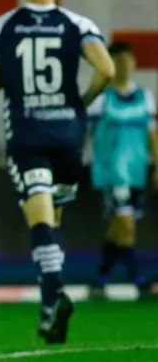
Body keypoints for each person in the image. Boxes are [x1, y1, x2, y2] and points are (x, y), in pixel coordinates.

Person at [0, 0, 115, 344]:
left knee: (40, 221)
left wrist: (12, 79)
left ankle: (53, 298)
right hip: (68, 135)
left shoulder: (3, 27)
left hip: (29, 136)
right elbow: (106, 69)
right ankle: (49, 311)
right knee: (53, 222)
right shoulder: (77, 23)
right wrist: (81, 102)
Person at [88, 41, 155, 299]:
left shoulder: (145, 97)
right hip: (113, 172)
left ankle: (100, 277)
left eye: (127, 60)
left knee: (119, 227)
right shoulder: (100, 99)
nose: (123, 65)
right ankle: (138, 279)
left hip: (136, 171)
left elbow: (151, 133)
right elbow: (85, 134)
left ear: (134, 63)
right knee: (126, 224)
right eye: (117, 61)